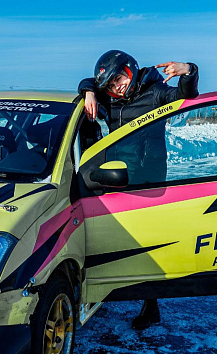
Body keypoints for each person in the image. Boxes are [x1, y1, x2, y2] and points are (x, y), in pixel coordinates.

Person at [78, 50, 199, 330]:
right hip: (118, 175)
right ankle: (106, 290)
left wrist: (189, 70)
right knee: (115, 236)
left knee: (146, 241)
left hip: (149, 178)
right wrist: (89, 93)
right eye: (110, 85)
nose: (116, 86)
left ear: (130, 71)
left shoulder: (155, 92)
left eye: (119, 79)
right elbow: (88, 81)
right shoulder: (109, 97)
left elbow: (185, 95)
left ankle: (150, 304)